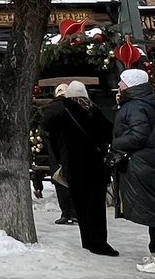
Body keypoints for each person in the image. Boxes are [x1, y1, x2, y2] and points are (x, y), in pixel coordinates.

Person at [111, 69, 155, 273]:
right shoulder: (147, 102)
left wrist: (115, 143)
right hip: (152, 160)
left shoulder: (135, 105)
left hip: (141, 161)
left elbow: (139, 135)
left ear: (131, 84)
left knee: (152, 210)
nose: (119, 85)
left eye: (122, 82)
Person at [45, 81, 117, 256]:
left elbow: (52, 141)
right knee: (96, 207)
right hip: (94, 166)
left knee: (80, 205)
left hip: (71, 167)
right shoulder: (93, 111)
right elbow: (109, 133)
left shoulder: (59, 114)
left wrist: (62, 160)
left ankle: (87, 240)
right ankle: (98, 243)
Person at [40, 85, 78, 224]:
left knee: (60, 180)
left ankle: (66, 213)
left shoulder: (53, 107)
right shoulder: (77, 106)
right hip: (76, 148)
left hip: (57, 147)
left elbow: (44, 125)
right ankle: (77, 213)